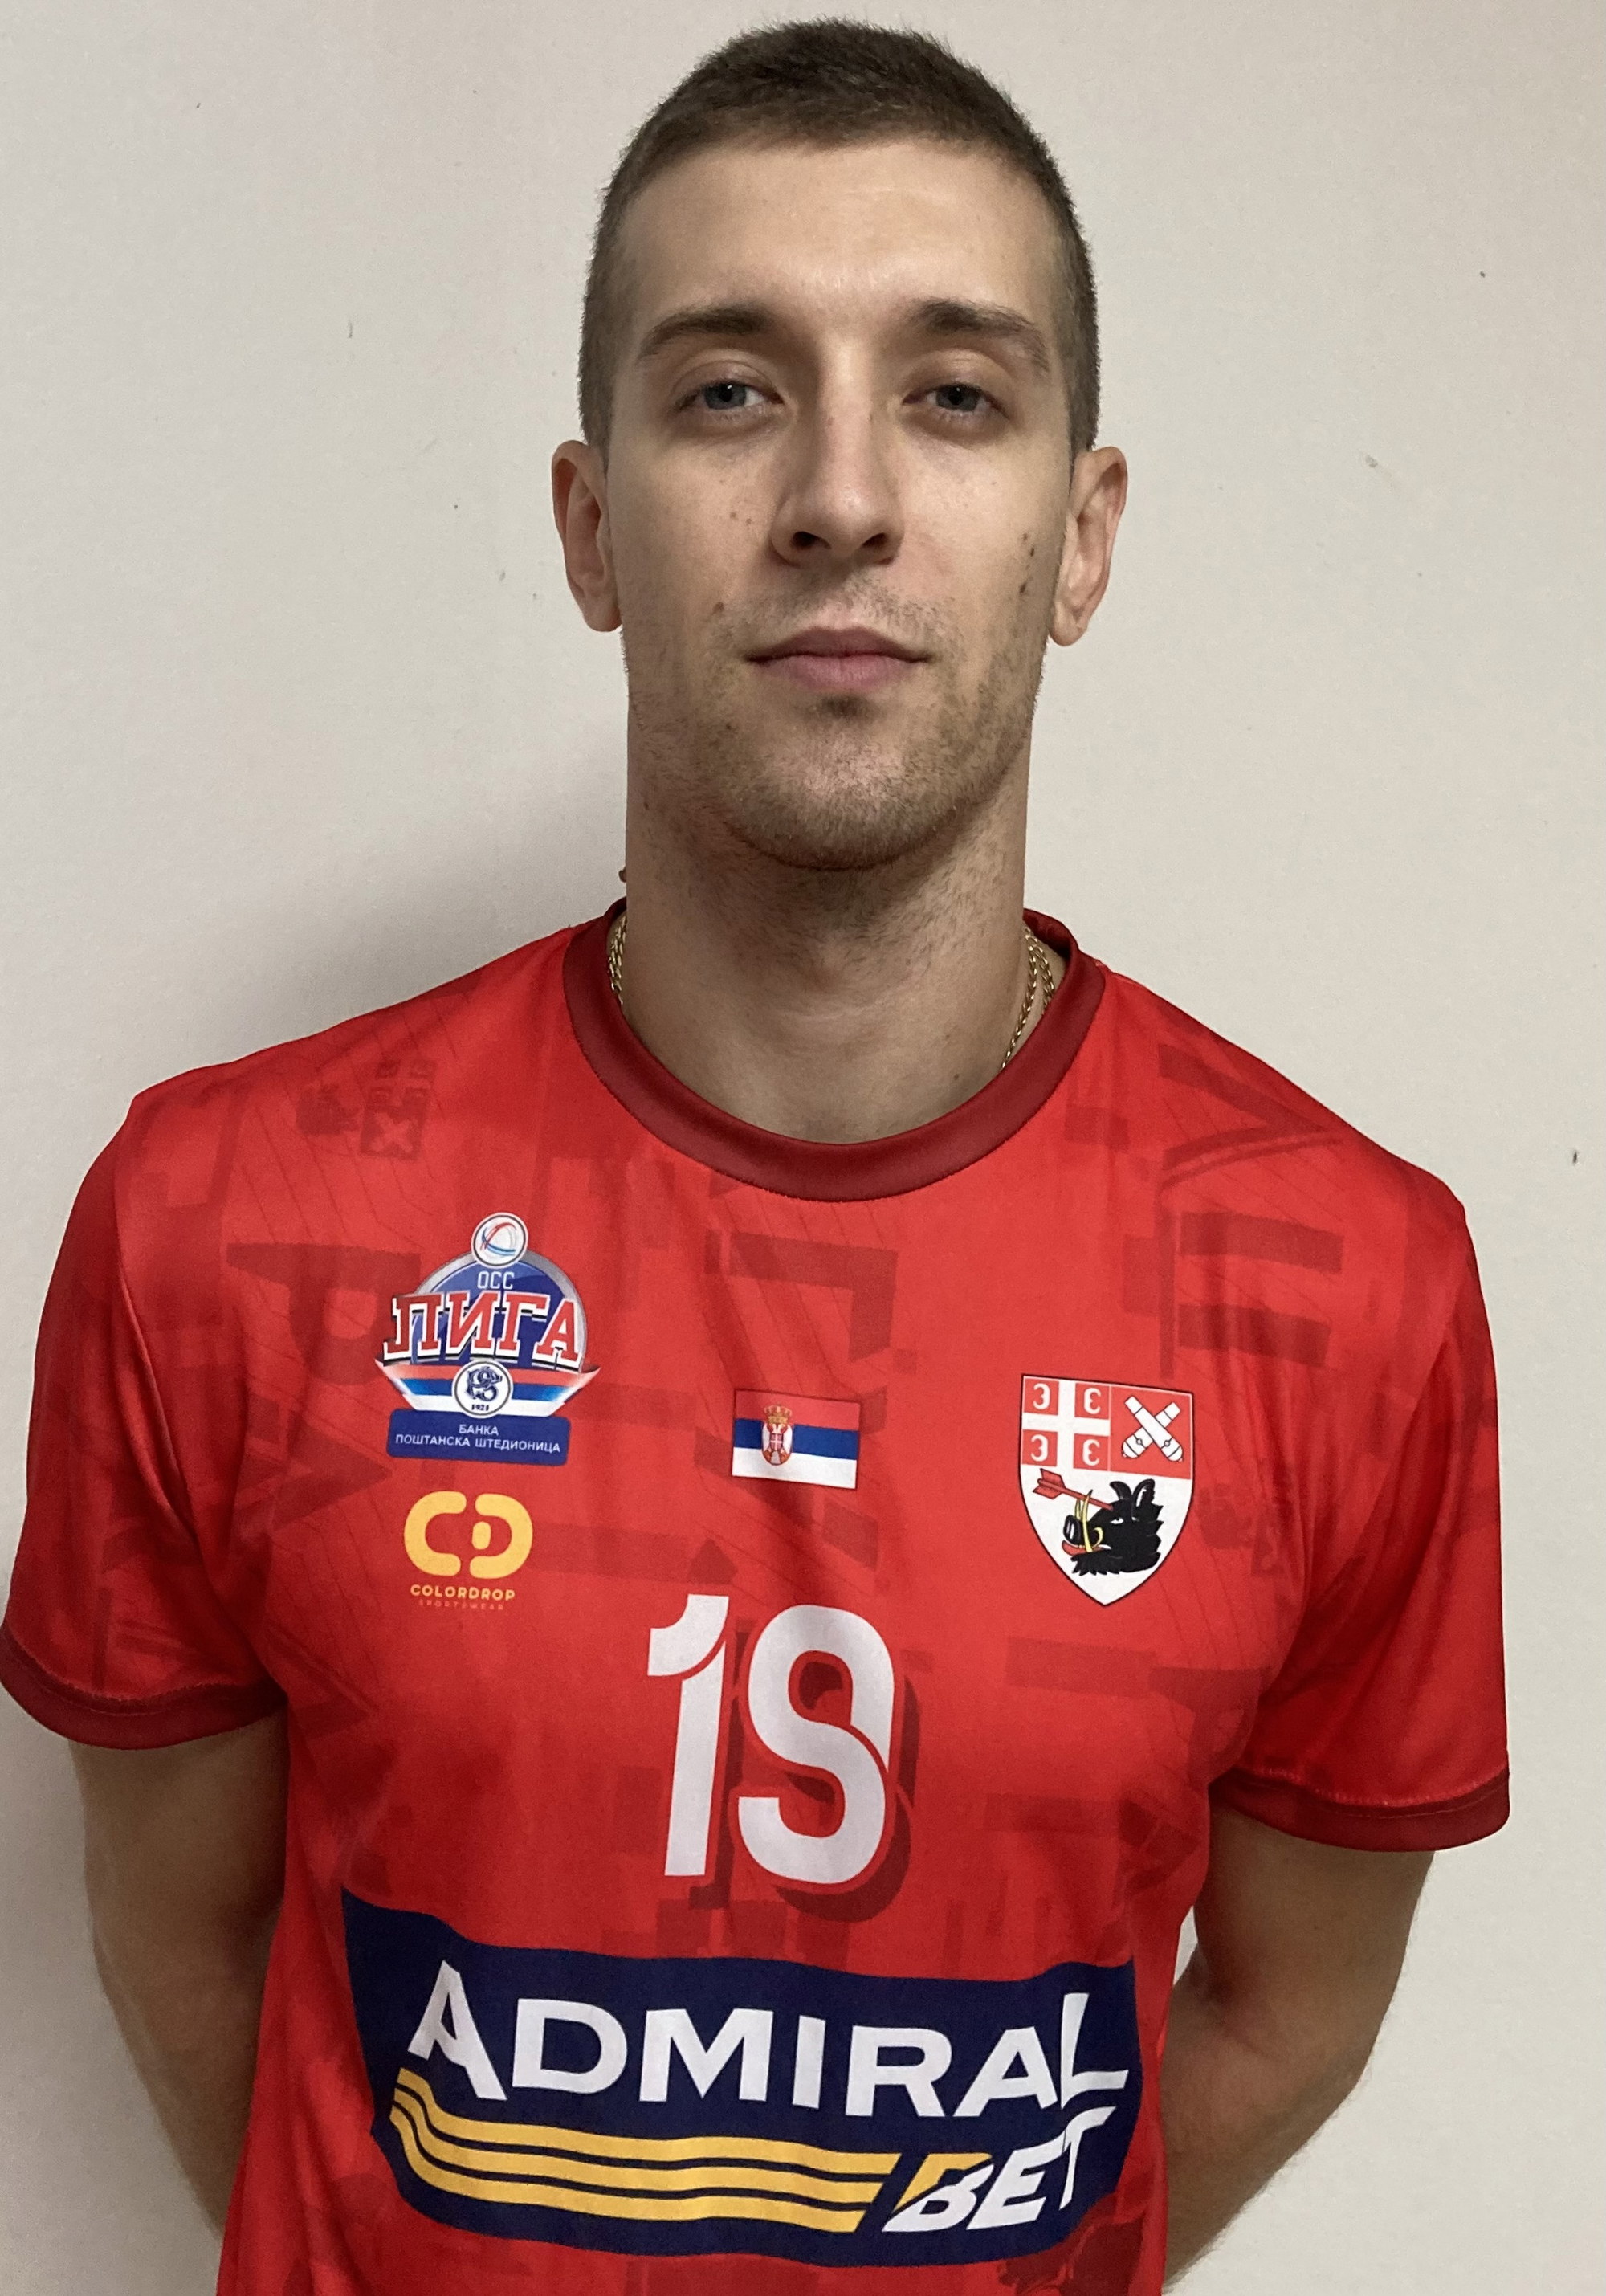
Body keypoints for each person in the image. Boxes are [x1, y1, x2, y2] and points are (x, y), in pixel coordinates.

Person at [0, 22, 1507, 2295]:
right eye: (728, 389)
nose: (839, 496)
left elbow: (1291, 2008)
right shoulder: (227, 1221)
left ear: (1083, 535)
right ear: (590, 526)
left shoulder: (1342, 1285)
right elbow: (182, 1944)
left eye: (956, 395)